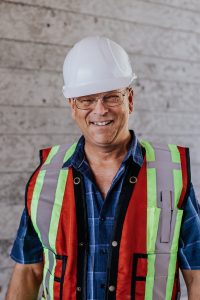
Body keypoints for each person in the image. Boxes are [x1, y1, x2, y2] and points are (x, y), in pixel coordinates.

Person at [6, 36, 200, 300]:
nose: (100, 110)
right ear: (72, 106)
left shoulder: (171, 175)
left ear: (130, 100)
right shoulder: (46, 176)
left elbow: (197, 274)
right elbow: (28, 271)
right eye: (86, 100)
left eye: (111, 96)